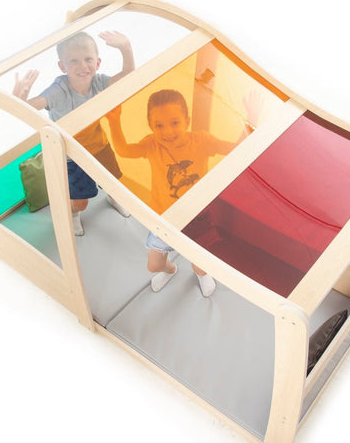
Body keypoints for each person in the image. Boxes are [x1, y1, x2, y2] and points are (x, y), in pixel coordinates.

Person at [106, 88, 262, 297]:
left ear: (186, 121)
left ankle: (202, 274)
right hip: (164, 218)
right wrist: (114, 121)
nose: (167, 132)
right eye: (159, 126)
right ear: (151, 127)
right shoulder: (152, 144)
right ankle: (171, 270)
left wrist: (251, 118)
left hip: (198, 217)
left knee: (201, 265)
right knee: (154, 265)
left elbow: (236, 149)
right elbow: (124, 150)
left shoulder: (200, 141)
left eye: (174, 123)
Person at [13, 31, 135, 236]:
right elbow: (32, 107)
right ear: (62, 66)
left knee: (114, 182)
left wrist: (126, 48)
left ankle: (112, 196)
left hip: (100, 146)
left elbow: (128, 76)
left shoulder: (98, 81)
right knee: (80, 202)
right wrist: (19, 98)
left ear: (97, 62)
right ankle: (73, 213)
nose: (82, 66)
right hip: (72, 156)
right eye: (74, 61)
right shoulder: (59, 90)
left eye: (88, 59)